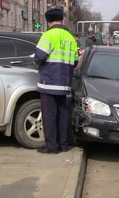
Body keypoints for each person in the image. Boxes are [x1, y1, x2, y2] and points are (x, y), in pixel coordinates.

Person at [34, 8, 78, 154]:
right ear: (61, 20)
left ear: (48, 21)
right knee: (63, 115)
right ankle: (63, 145)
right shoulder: (70, 37)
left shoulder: (48, 35)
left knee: (49, 115)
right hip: (65, 83)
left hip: (49, 82)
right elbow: (76, 60)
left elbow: (39, 57)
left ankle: (51, 147)